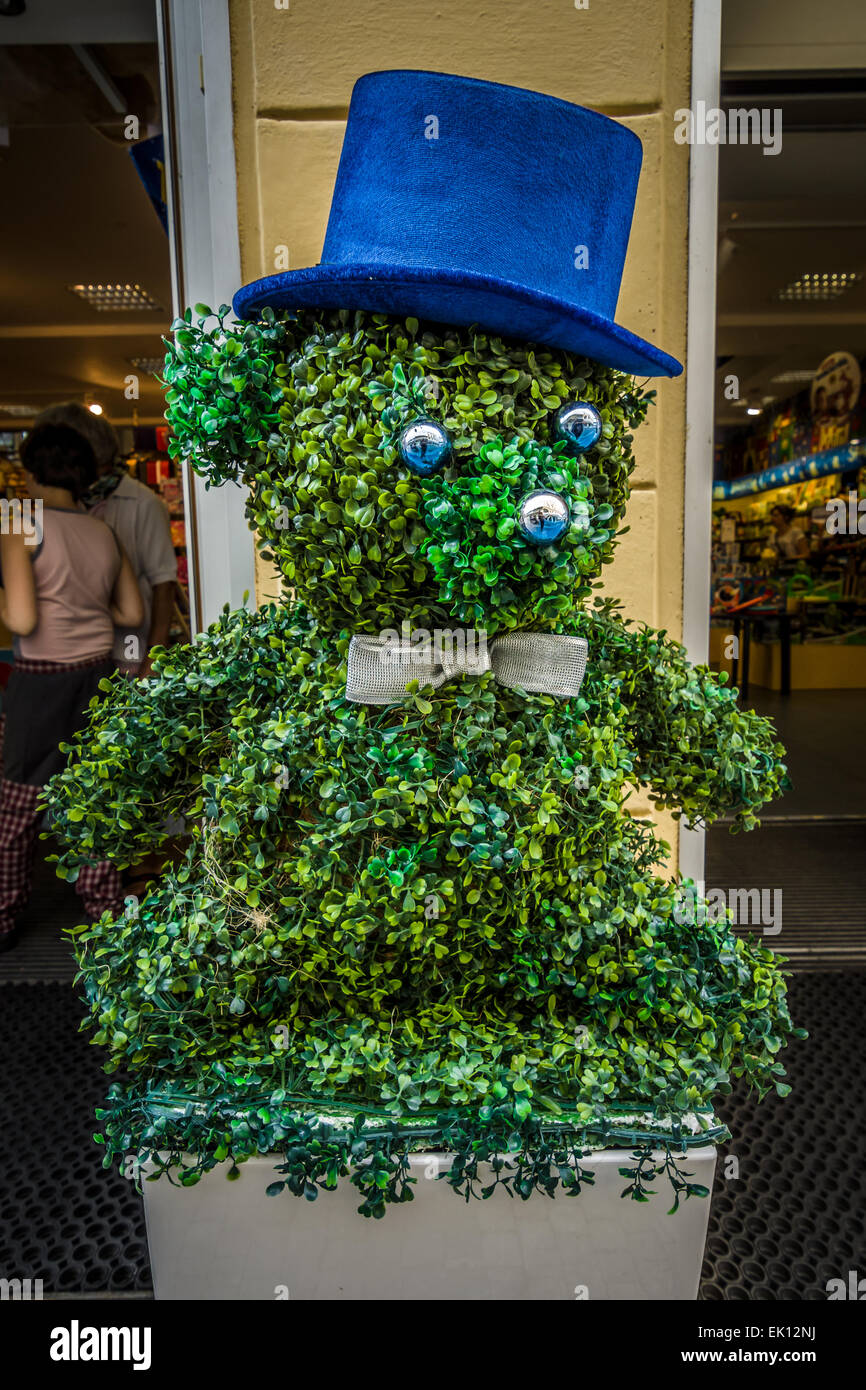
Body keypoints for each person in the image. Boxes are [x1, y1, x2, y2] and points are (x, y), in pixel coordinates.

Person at [0, 424, 143, 952]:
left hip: (42, 682)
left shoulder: (17, 519)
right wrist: (84, 606)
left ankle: (5, 917)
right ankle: (106, 915)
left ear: (31, 468)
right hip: (98, 675)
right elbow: (131, 612)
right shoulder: (101, 529)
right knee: (93, 798)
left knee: (18, 807)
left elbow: (20, 617)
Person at [35, 403, 177, 676]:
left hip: (127, 655)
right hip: (71, 660)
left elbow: (164, 587)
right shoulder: (61, 503)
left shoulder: (143, 503)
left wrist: (152, 663)